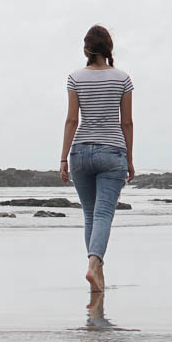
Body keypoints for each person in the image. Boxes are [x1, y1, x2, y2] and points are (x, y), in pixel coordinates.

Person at [59, 25, 135, 295]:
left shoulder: (75, 78)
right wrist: (130, 158)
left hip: (80, 151)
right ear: (109, 48)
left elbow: (71, 120)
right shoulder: (122, 79)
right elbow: (126, 122)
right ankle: (94, 265)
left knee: (90, 215)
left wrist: (63, 159)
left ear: (86, 49)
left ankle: (97, 273)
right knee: (103, 214)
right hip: (112, 150)